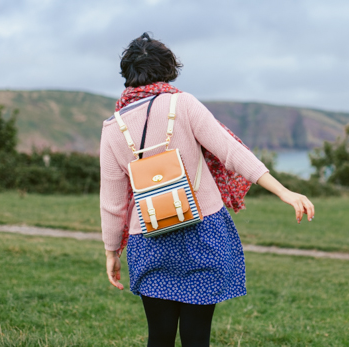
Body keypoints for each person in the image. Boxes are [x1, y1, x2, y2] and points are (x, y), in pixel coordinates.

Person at [100, 32, 315, 347]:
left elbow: (112, 201)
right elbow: (230, 151)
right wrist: (283, 191)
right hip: (203, 229)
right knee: (196, 337)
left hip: (148, 236)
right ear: (168, 69)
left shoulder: (112, 126)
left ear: (128, 75)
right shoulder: (182, 104)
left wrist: (111, 251)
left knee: (158, 337)